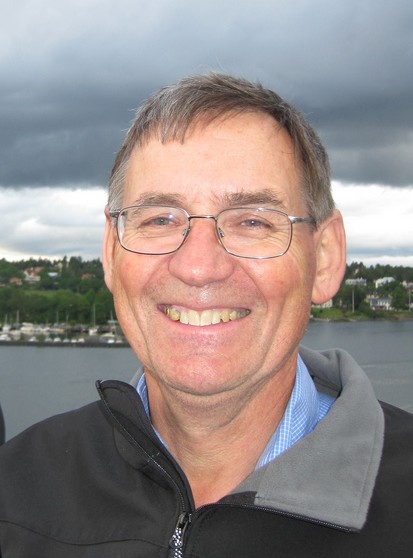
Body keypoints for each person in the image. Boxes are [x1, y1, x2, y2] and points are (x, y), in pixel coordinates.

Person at [0, 73, 412, 557]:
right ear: (111, 253)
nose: (198, 267)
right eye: (159, 219)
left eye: (252, 221)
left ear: (324, 258)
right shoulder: (15, 490)